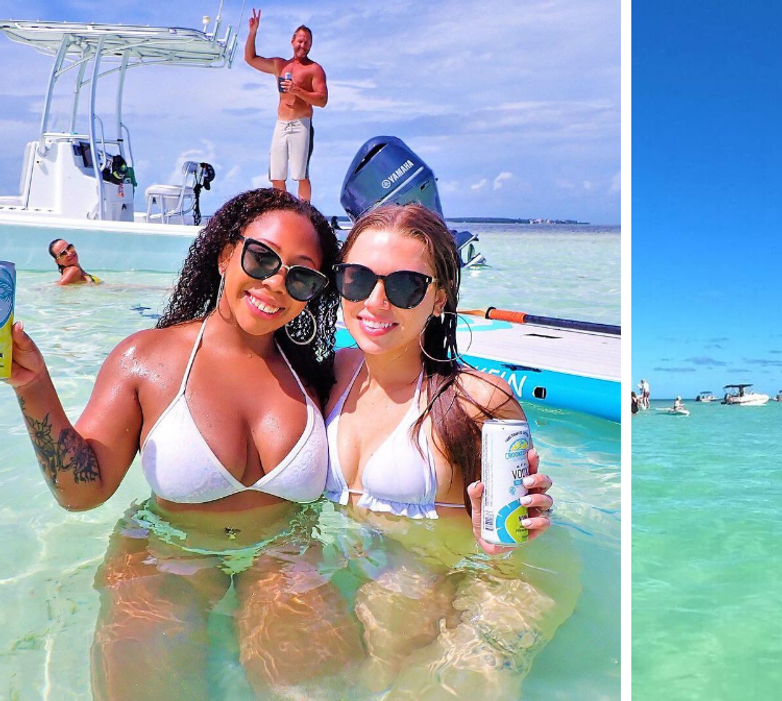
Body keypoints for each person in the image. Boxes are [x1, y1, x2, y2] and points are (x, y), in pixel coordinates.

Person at [6, 189, 362, 698]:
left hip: (284, 560)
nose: (275, 283)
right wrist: (34, 387)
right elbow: (81, 492)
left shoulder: (315, 377)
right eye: (261, 258)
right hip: (166, 557)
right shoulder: (146, 358)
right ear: (224, 253)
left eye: (301, 276)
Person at [323, 204, 573, 697]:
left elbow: (509, 555)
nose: (375, 302)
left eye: (404, 286)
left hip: (451, 585)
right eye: (357, 279)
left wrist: (510, 543)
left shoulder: (478, 402)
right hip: (361, 577)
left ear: (439, 298)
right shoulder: (330, 373)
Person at [245, 9, 328, 202]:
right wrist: (253, 32)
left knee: (300, 174)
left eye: (307, 42)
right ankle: (281, 211)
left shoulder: (314, 69)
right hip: (281, 123)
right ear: (292, 42)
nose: (303, 45)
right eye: (300, 40)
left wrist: (297, 90)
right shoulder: (280, 65)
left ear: (311, 45)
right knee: (277, 173)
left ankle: (305, 213)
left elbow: (322, 100)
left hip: (301, 124)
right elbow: (250, 59)